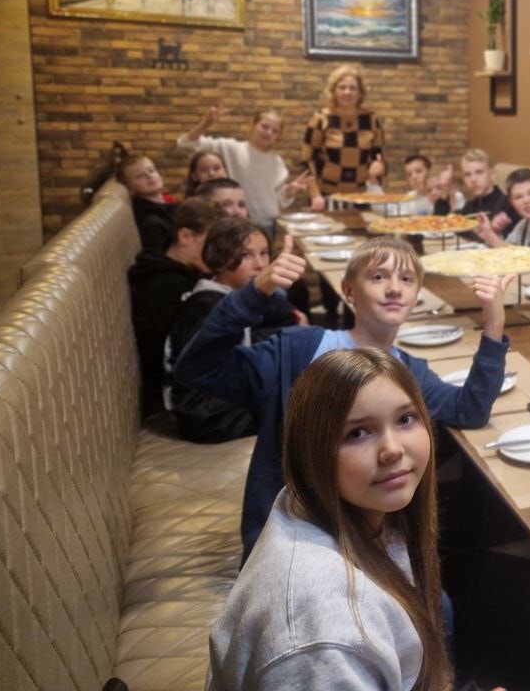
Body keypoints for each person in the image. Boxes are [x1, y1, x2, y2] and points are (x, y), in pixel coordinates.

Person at [173, 235, 511, 558]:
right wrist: (255, 294)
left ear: (416, 295)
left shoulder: (409, 370)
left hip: (370, 538)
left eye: (407, 279)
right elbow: (198, 368)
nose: (395, 288)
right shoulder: (298, 350)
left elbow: (469, 409)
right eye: (378, 277)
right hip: (292, 536)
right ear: (348, 291)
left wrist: (494, 323)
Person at [205, 348, 452, 690]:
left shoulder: (325, 502)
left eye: (405, 419)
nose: (393, 449)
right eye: (357, 433)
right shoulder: (324, 634)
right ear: (313, 452)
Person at [167, 217, 302, 443]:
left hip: (220, 398)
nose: (260, 264)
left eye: (264, 253)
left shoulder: (231, 292)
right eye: (246, 255)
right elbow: (193, 380)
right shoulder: (207, 304)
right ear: (218, 259)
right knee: (305, 409)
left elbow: (282, 315)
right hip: (204, 413)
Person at [128, 197, 225, 418]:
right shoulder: (165, 285)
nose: (218, 254)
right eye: (211, 244)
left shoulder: (182, 274)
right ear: (185, 236)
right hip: (175, 399)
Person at [178, 105, 313, 232]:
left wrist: (290, 190)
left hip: (267, 224)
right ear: (252, 126)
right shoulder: (230, 148)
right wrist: (205, 123)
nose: (268, 132)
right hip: (234, 222)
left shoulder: (277, 162)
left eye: (274, 131)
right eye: (264, 127)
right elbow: (186, 145)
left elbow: (278, 199)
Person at [302, 64, 386, 207]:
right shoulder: (321, 118)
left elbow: (379, 158)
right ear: (333, 91)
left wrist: (380, 169)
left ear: (360, 92)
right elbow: (307, 159)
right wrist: (314, 194)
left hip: (363, 197)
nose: (347, 92)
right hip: (326, 197)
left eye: (353, 88)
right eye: (342, 87)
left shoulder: (371, 119)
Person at [474, 168, 530, 249]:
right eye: (518, 197)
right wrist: (493, 233)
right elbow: (508, 255)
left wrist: (490, 235)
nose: (526, 200)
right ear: (512, 203)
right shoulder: (521, 226)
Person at [438, 148, 518, 236]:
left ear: (492, 175)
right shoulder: (471, 205)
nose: (473, 179)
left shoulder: (507, 204)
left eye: (479, 172)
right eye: (468, 175)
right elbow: (440, 227)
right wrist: (445, 192)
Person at [118, 153, 178, 252]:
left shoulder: (169, 204)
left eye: (151, 170)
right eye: (139, 176)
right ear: (129, 188)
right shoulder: (150, 222)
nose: (149, 176)